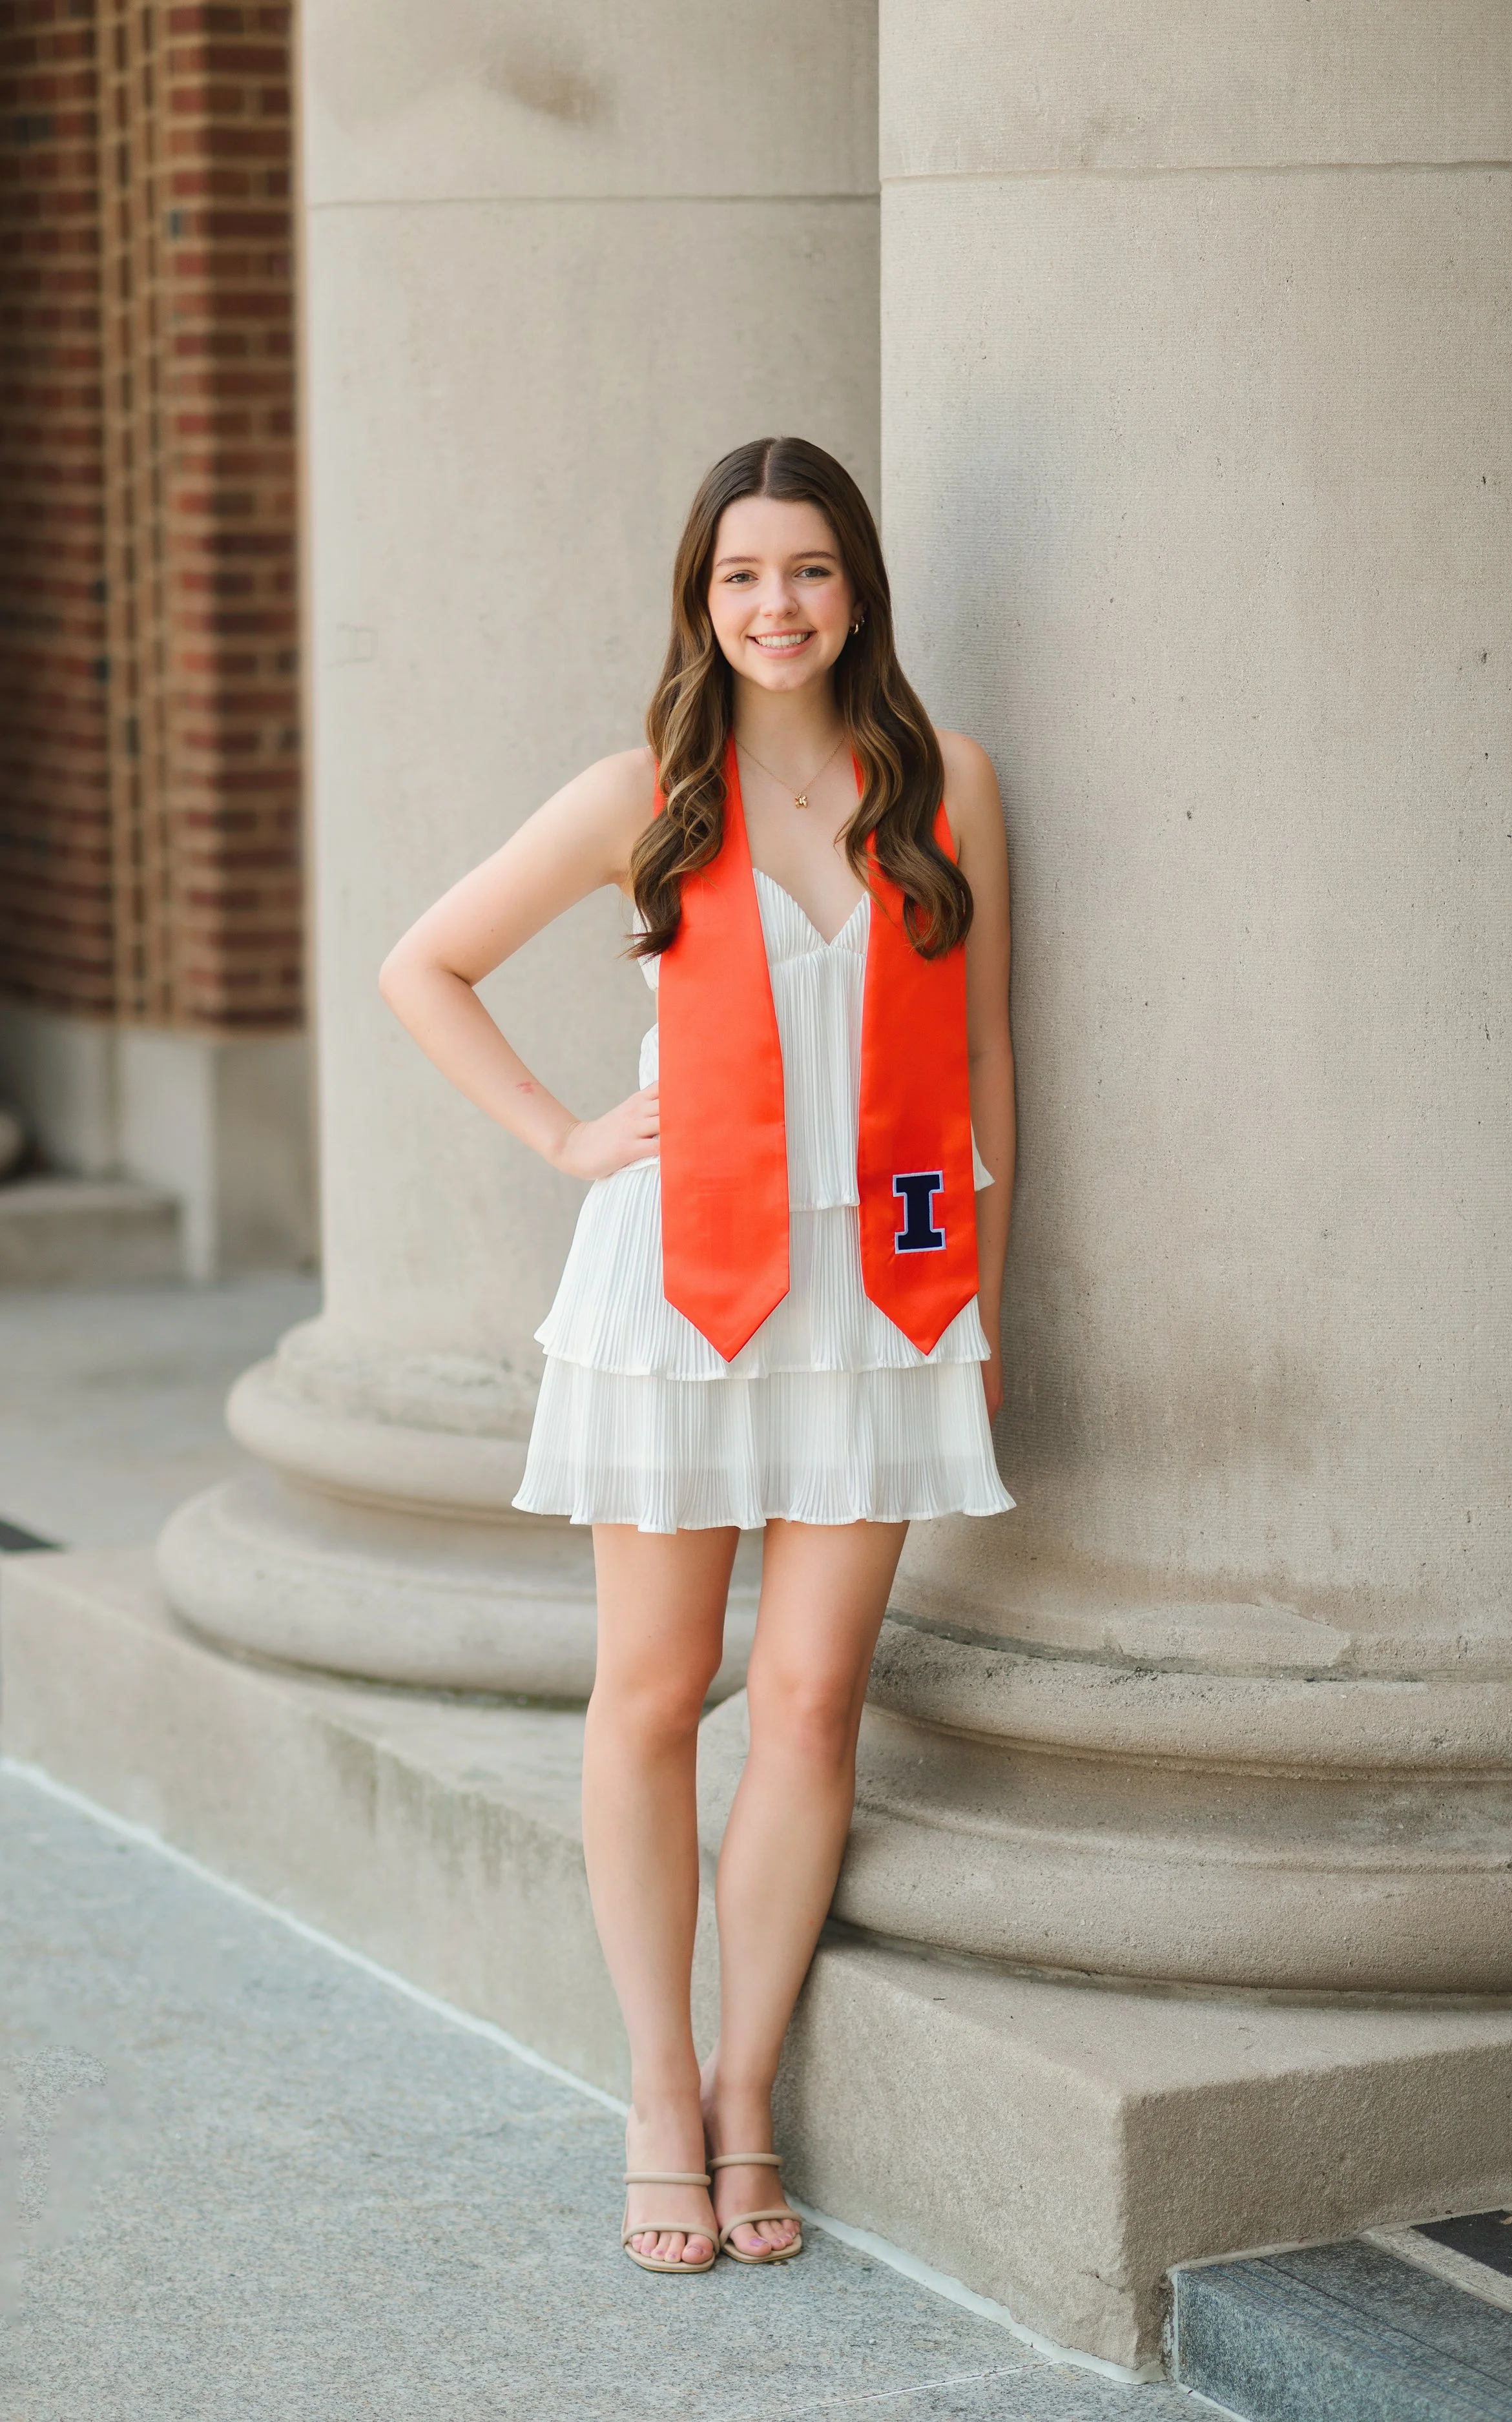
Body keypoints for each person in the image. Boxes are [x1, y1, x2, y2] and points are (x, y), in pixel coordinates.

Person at [379, 435, 1014, 2275]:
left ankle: (746, 2093)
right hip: (681, 1286)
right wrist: (571, 1134)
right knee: (656, 1696)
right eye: (741, 575)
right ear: (700, 599)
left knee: (809, 1703)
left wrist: (986, 1296)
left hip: (880, 1291)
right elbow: (426, 965)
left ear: (858, 588)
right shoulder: (643, 795)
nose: (775, 605)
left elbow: (985, 1052)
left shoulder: (945, 782)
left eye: (807, 569)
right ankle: (657, 2090)